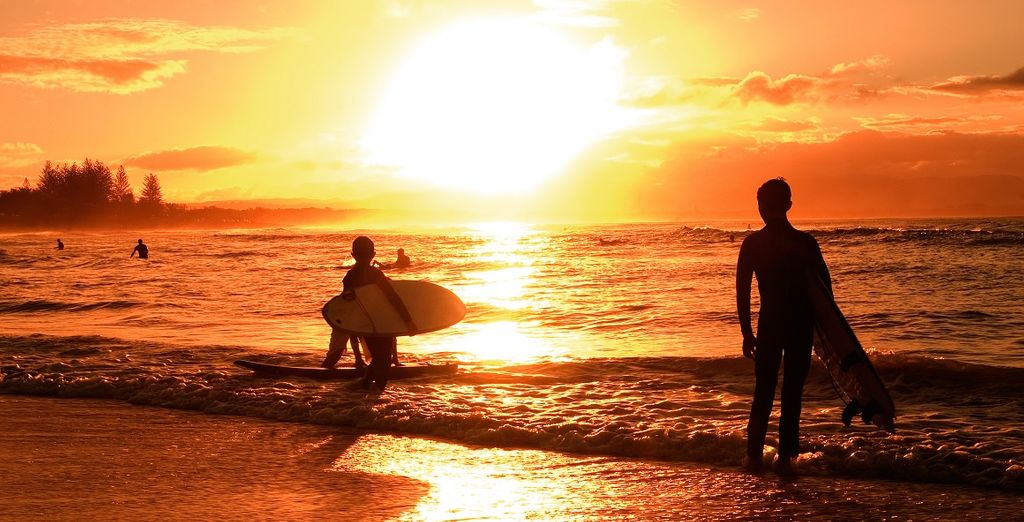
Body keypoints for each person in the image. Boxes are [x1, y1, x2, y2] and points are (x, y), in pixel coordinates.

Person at [735, 178, 831, 475]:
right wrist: (826, 336)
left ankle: (753, 459)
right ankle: (787, 461)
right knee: (792, 394)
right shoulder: (806, 243)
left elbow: (742, 290)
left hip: (769, 324)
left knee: (763, 391)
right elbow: (825, 292)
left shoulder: (753, 244)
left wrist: (746, 332)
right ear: (789, 205)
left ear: (760, 207)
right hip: (800, 325)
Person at [322, 236, 416, 391]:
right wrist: (408, 321)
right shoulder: (376, 274)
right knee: (383, 360)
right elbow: (392, 297)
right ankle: (375, 392)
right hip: (382, 321)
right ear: (373, 254)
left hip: (366, 324)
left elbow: (349, 305)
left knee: (379, 359)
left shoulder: (349, 277)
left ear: (352, 255)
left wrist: (353, 327)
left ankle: (366, 387)